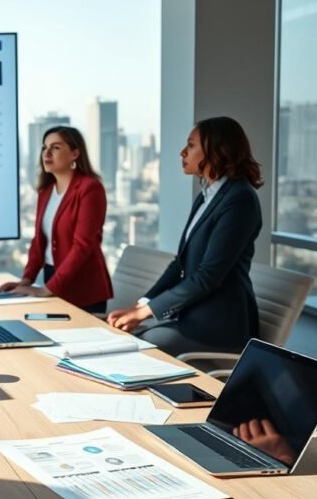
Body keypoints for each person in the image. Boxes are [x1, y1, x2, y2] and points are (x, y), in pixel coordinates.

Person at [107, 116, 263, 356]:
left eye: (191, 145)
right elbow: (180, 263)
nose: (182, 152)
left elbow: (207, 276)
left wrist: (142, 314)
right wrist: (142, 305)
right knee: (123, 340)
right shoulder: (206, 196)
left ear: (217, 150)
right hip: (190, 315)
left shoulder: (239, 199)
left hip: (218, 325)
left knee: (138, 350)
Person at [0, 126, 113, 313]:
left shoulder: (89, 188)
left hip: (82, 288)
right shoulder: (46, 191)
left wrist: (47, 289)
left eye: (56, 147)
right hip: (52, 278)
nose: (47, 153)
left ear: (75, 153)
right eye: (45, 147)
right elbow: (39, 242)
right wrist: (26, 280)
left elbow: (82, 246)